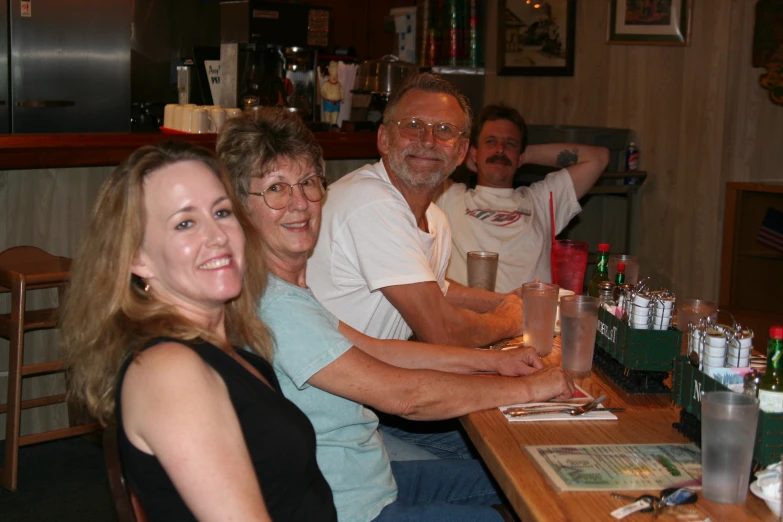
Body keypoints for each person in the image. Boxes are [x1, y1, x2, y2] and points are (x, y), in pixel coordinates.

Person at [216, 109, 575, 522]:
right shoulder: (273, 305)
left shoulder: (283, 290)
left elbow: (379, 350)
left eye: (308, 183)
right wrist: (528, 390)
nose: (300, 204)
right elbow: (407, 398)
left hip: (373, 481)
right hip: (347, 507)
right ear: (240, 208)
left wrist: (496, 362)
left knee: (534, 476)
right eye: (276, 189)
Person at [59, 141, 337, 522]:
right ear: (137, 257)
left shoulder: (236, 352)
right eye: (185, 223)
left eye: (222, 212)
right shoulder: (168, 372)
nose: (217, 236)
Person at [307, 73, 521, 348]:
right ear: (384, 139)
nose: (428, 140)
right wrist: (511, 320)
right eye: (413, 125)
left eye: (444, 130)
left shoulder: (435, 219)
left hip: (372, 378)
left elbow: (436, 292)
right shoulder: (371, 203)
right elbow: (443, 331)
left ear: (461, 151)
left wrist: (511, 301)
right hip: (323, 387)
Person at [435, 104, 610, 293]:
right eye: (491, 142)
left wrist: (526, 154)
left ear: (520, 157)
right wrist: (461, 156)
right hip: (471, 316)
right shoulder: (447, 195)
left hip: (531, 317)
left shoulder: (541, 199)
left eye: (510, 144)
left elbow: (599, 158)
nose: (500, 150)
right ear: (474, 152)